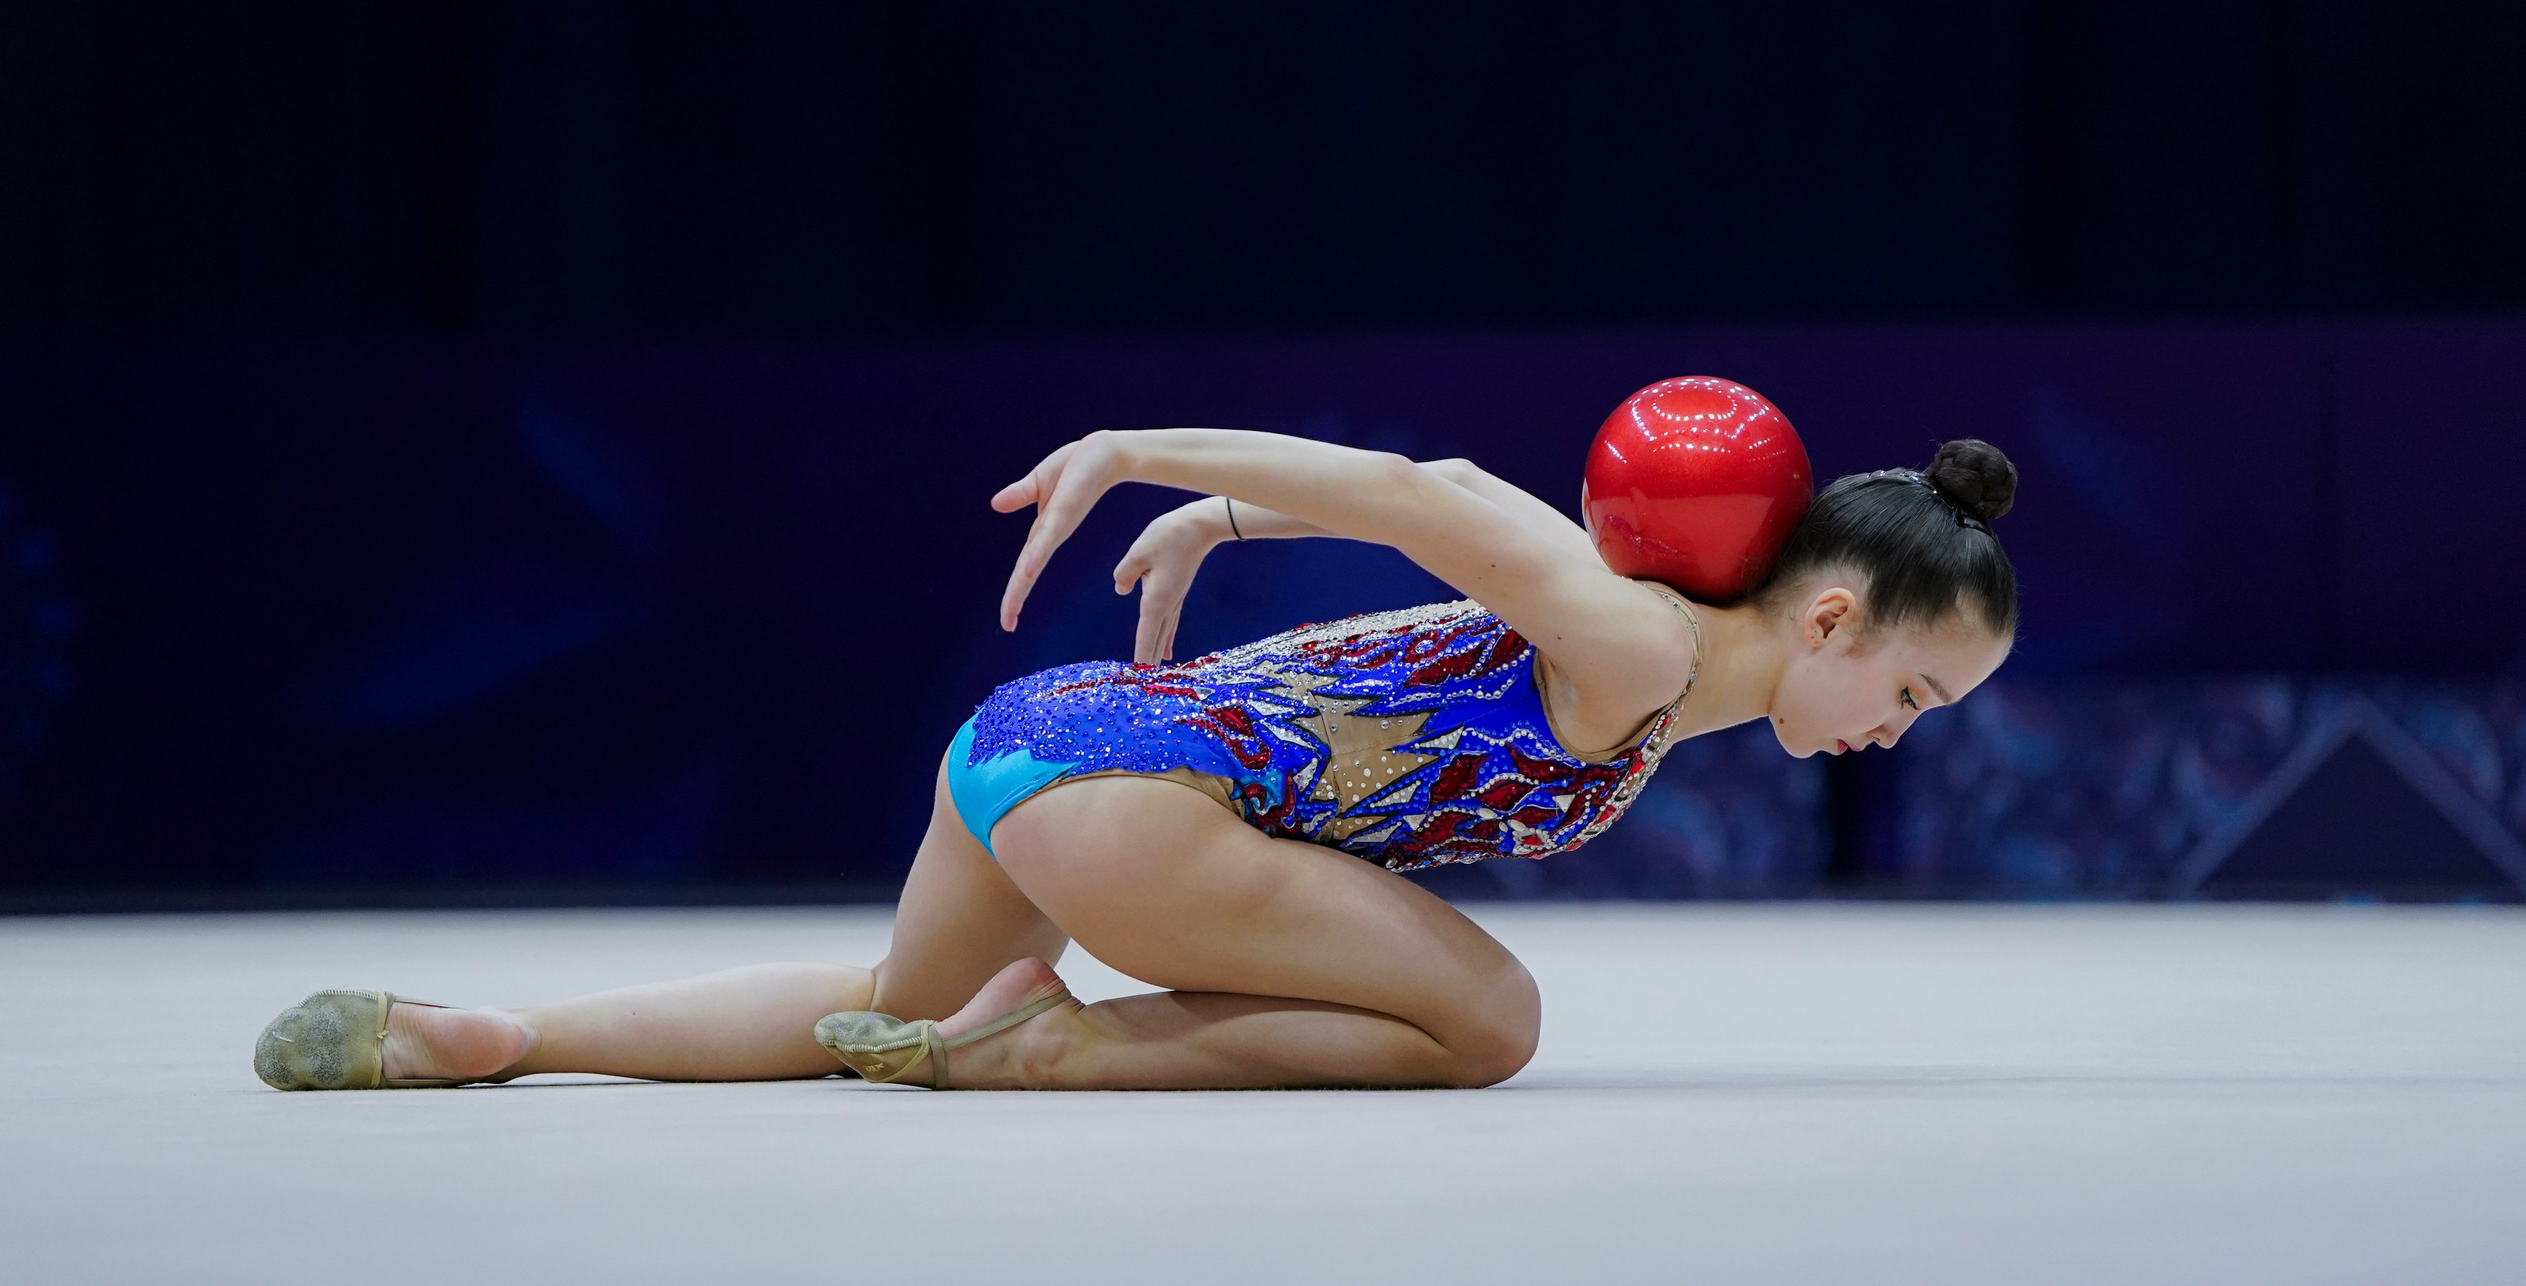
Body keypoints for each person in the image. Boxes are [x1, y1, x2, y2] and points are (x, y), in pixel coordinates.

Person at [252, 427, 2018, 1094]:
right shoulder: (1643, 650)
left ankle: (495, 1037)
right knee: (1491, 1023)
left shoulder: (1641, 636)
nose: (1902, 731)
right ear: (1833, 618)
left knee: (885, 1006)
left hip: (1033, 745)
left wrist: (1226, 521)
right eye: (1919, 691)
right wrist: (1140, 453)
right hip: (1140, 809)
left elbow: (1461, 498)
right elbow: (1415, 495)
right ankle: (1053, 1052)